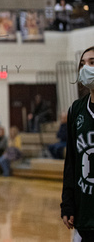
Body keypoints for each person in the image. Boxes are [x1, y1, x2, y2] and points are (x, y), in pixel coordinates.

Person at [61, 46, 94, 241]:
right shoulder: (76, 109)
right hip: (85, 214)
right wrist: (67, 203)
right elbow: (71, 162)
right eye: (82, 64)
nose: (86, 68)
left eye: (92, 62)